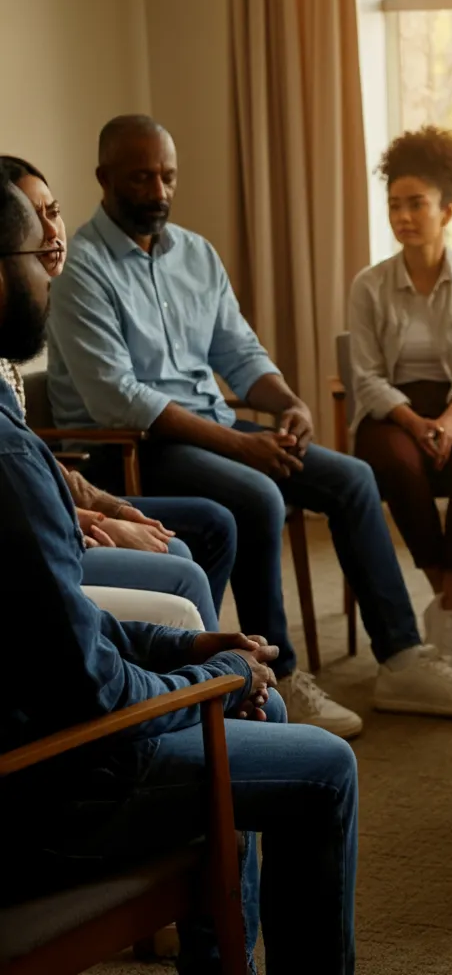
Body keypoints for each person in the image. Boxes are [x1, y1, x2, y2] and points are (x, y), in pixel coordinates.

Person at [0, 171, 359, 974]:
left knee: (248, 706)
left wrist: (184, 652)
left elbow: (57, 624)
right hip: (48, 790)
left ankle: (218, 952)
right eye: (32, 249)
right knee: (324, 767)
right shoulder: (8, 460)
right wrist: (221, 679)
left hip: (40, 730)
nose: (45, 269)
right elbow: (93, 692)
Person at [46, 115, 452, 737]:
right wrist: (241, 444)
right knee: (258, 497)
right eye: (141, 177)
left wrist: (288, 403)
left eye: (167, 176)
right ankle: (277, 672)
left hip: (214, 425)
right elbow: (119, 397)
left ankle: (401, 657)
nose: (158, 190)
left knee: (353, 478)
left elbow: (240, 352)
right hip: (133, 447)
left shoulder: (195, 254)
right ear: (105, 178)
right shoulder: (81, 269)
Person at [1, 155, 237, 630]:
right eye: (32, 220)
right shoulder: (66, 292)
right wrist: (90, 520)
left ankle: (190, 668)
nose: (52, 234)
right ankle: (201, 681)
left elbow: (31, 466)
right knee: (190, 555)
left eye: (54, 211)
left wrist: (104, 507)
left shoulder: (10, 349)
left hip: (60, 500)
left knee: (204, 530)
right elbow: (23, 479)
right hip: (111, 450)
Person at [351, 126, 452, 662]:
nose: (403, 216)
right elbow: (366, 375)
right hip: (393, 410)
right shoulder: (368, 286)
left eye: (417, 204)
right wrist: (417, 425)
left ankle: (448, 609)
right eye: (395, 205)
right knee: (399, 465)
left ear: (447, 210)